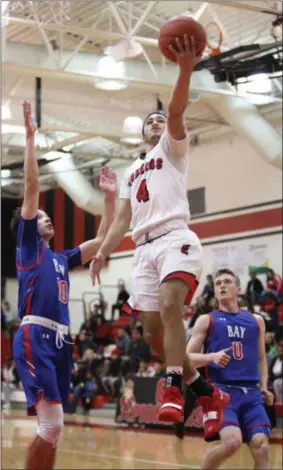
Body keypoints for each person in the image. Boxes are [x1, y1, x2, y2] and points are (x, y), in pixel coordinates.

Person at [89, 35, 229, 438]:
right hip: (142, 248)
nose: (156, 123)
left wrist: (185, 68)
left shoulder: (172, 148)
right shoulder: (134, 171)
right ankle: (206, 393)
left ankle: (172, 386)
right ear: (140, 134)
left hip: (175, 239)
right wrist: (103, 252)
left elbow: (175, 107)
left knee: (171, 306)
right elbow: (121, 221)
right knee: (152, 332)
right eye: (148, 121)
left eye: (157, 120)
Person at [11, 102, 117, 470]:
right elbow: (31, 185)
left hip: (60, 340)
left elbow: (102, 240)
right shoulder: (28, 247)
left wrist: (108, 198)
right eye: (41, 216)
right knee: (51, 425)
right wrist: (30, 139)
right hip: (35, 335)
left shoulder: (60, 258)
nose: (47, 218)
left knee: (55, 430)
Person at [187, 268, 274, 470]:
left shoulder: (256, 321)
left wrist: (264, 386)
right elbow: (187, 358)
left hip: (252, 394)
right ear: (215, 292)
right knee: (232, 442)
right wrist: (212, 357)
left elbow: (261, 359)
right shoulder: (206, 320)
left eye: (227, 282)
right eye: (218, 284)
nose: (222, 286)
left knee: (261, 447)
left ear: (238, 289)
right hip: (222, 392)